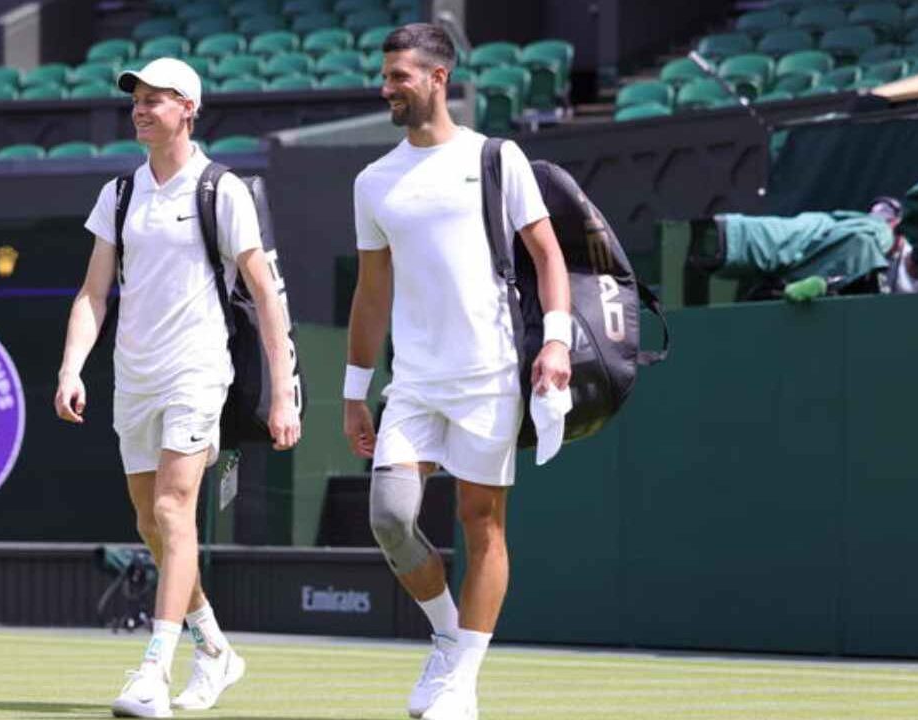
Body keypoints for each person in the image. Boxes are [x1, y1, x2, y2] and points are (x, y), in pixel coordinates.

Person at [54, 57, 301, 718]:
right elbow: (93, 293)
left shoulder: (222, 191)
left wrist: (284, 393)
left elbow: (265, 296)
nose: (140, 108)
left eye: (155, 99)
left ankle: (153, 672)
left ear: (188, 110)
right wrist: (72, 366)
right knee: (151, 523)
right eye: (136, 98)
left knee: (172, 510)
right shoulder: (120, 194)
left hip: (197, 371)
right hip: (133, 380)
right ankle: (216, 647)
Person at [343, 24, 573, 720]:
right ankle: (447, 633)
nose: (387, 88)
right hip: (411, 384)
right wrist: (355, 392)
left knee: (483, 524)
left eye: (399, 77)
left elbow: (548, 257)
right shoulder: (372, 179)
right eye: (384, 77)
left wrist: (555, 343)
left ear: (438, 78)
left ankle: (463, 679)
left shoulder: (498, 158)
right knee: (389, 517)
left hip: (488, 375)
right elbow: (371, 290)